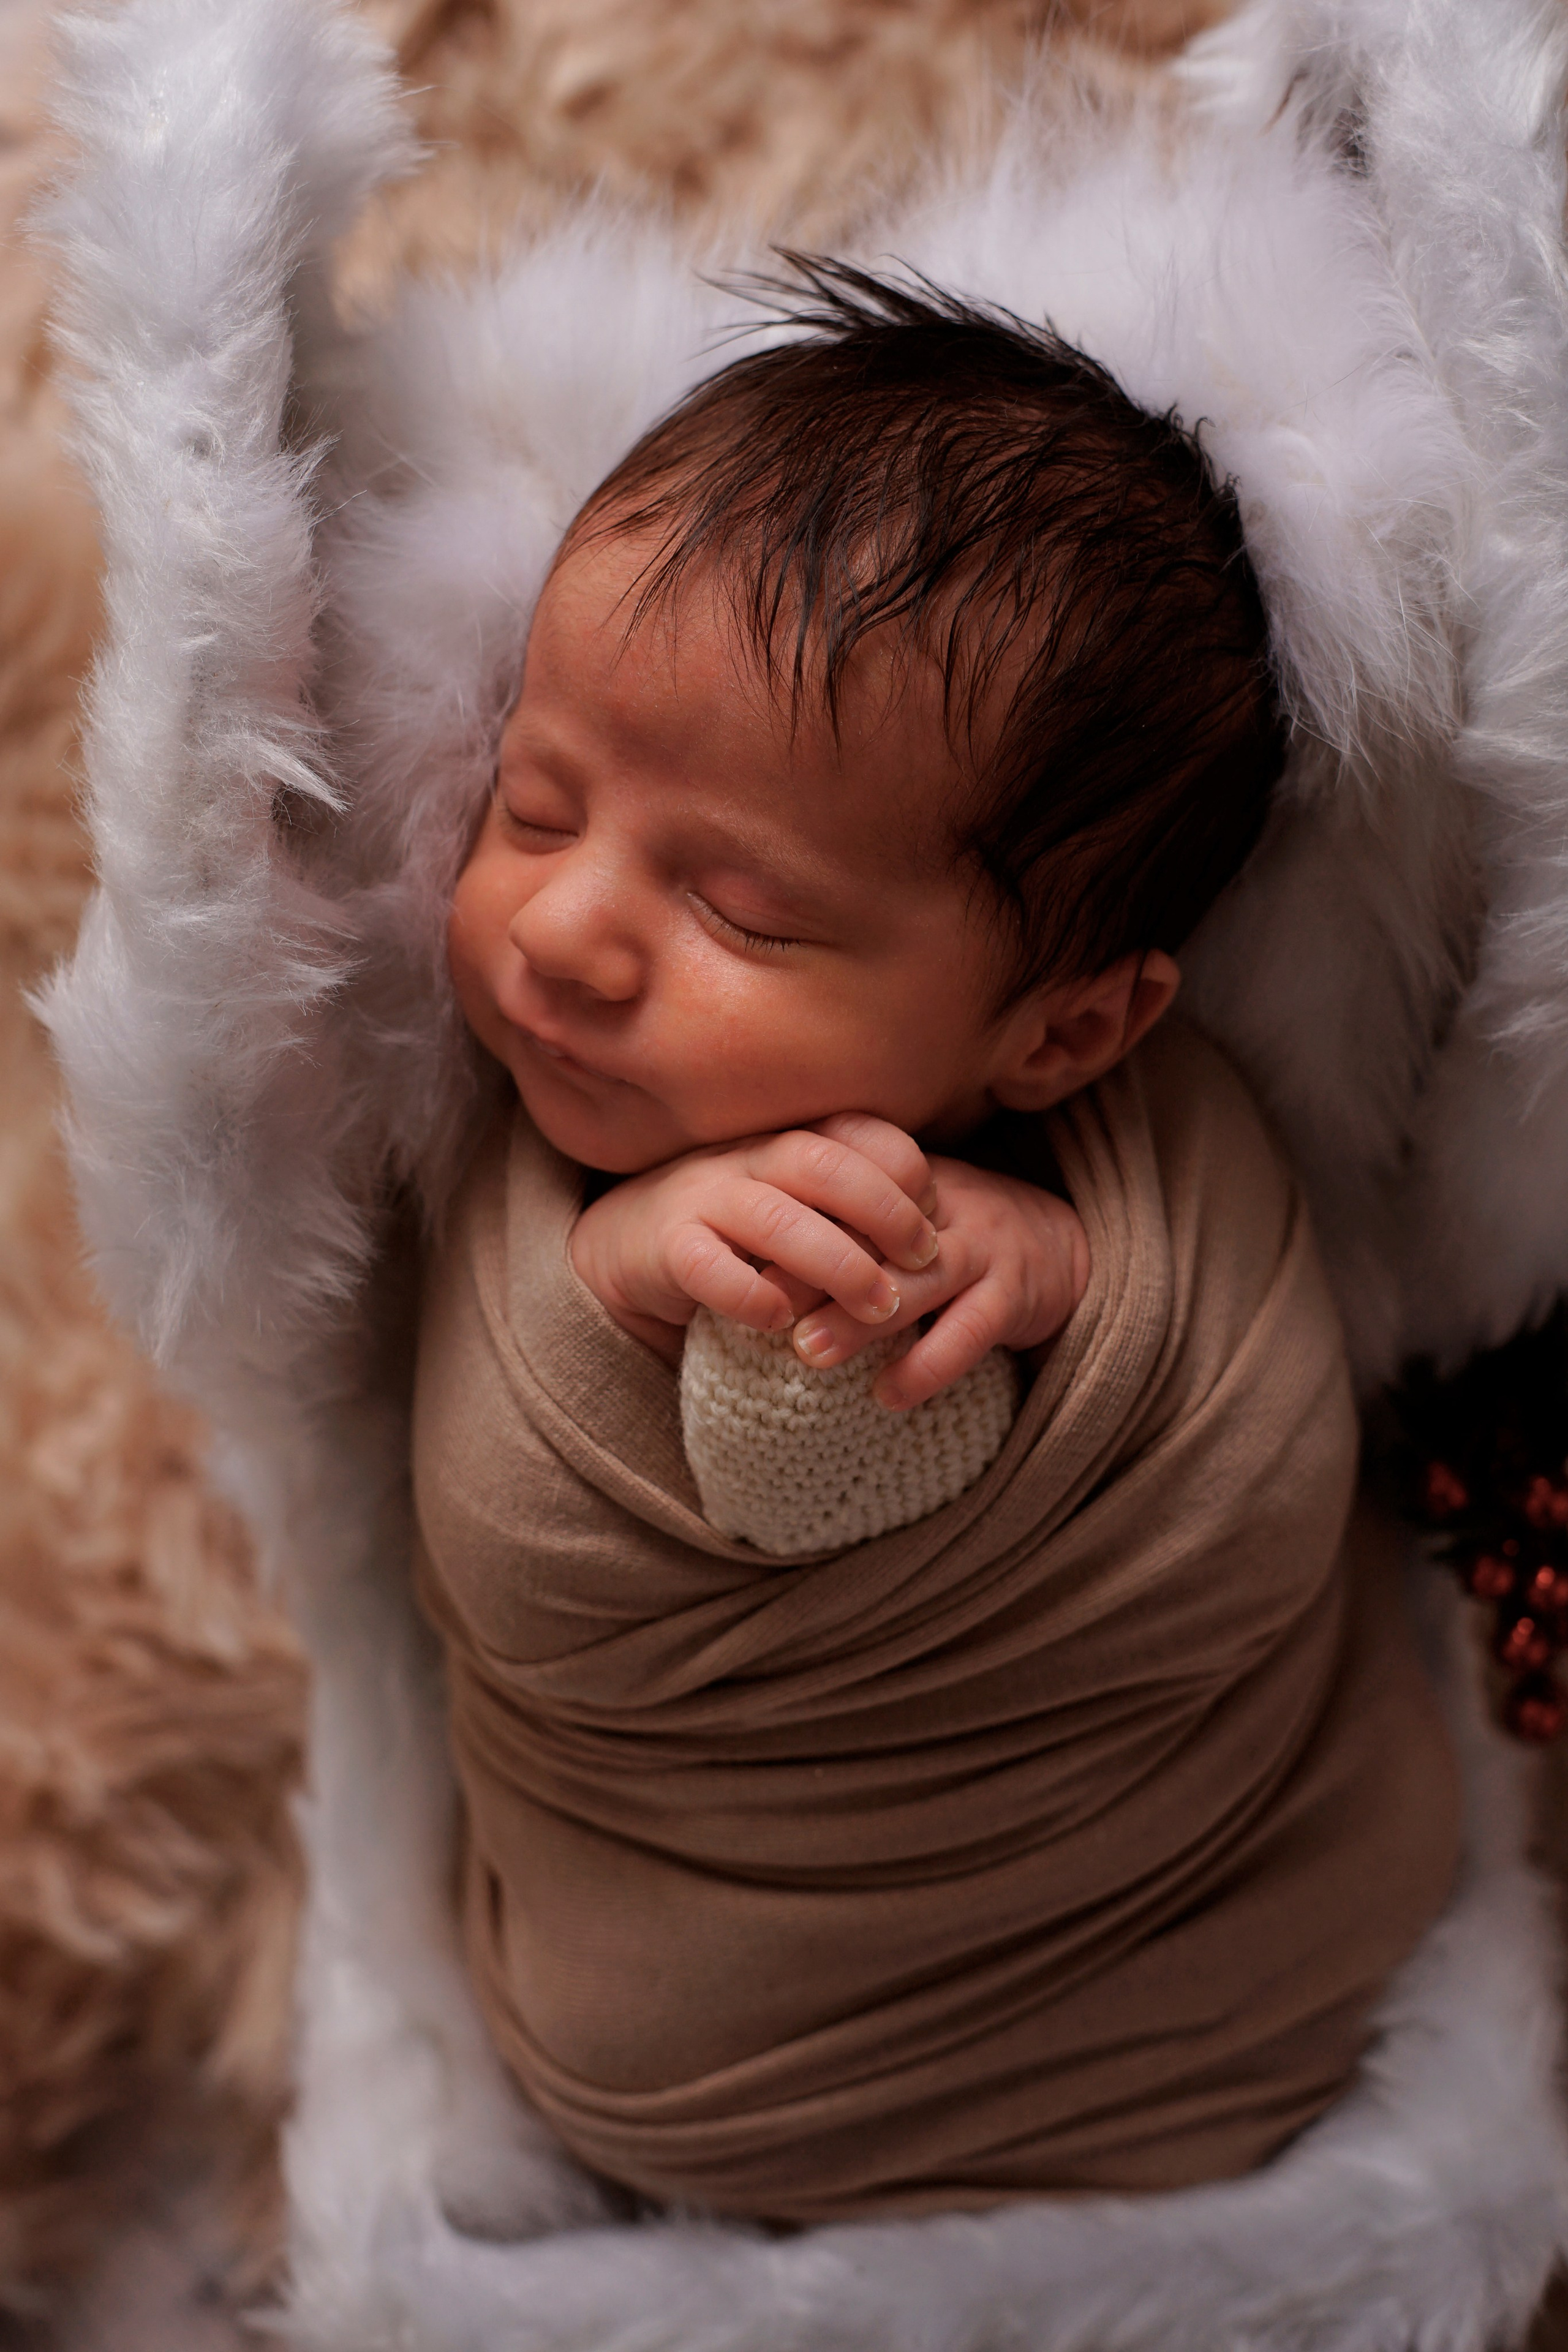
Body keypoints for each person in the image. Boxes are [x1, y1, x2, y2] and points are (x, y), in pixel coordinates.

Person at [412, 262, 1461, 2226]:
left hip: (1198, 1944)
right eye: (538, 804)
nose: (560, 933)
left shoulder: (1165, 1153)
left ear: (1063, 1034)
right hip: (714, 2022)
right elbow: (501, 1575)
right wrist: (621, 1281)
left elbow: (1271, 1466)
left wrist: (1071, 1285)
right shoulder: (534, 1171)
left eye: (741, 909)